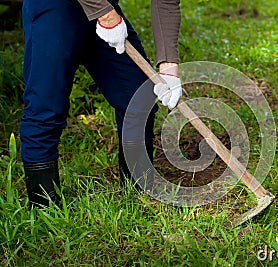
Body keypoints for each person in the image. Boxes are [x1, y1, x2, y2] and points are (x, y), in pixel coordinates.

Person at [20, 0, 182, 207]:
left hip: (103, 6)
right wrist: (107, 16)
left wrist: (168, 67)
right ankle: (44, 207)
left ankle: (138, 192)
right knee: (46, 105)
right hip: (54, 7)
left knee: (137, 96)